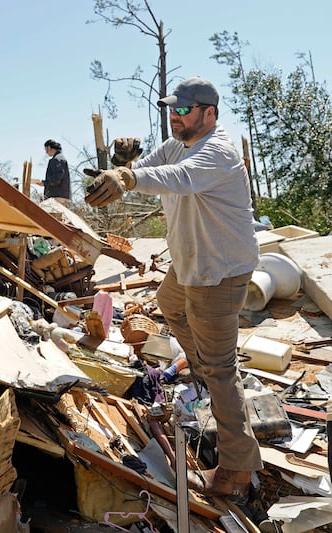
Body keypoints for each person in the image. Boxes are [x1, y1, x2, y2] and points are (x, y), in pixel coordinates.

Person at [84, 76, 262, 500]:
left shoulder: (217, 151)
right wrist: (124, 166)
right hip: (190, 267)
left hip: (217, 272)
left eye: (183, 110)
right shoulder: (177, 144)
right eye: (171, 109)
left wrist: (127, 179)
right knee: (168, 303)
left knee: (222, 371)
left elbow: (179, 178)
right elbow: (151, 171)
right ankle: (202, 373)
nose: (174, 116)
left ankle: (237, 469)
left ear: (209, 113)